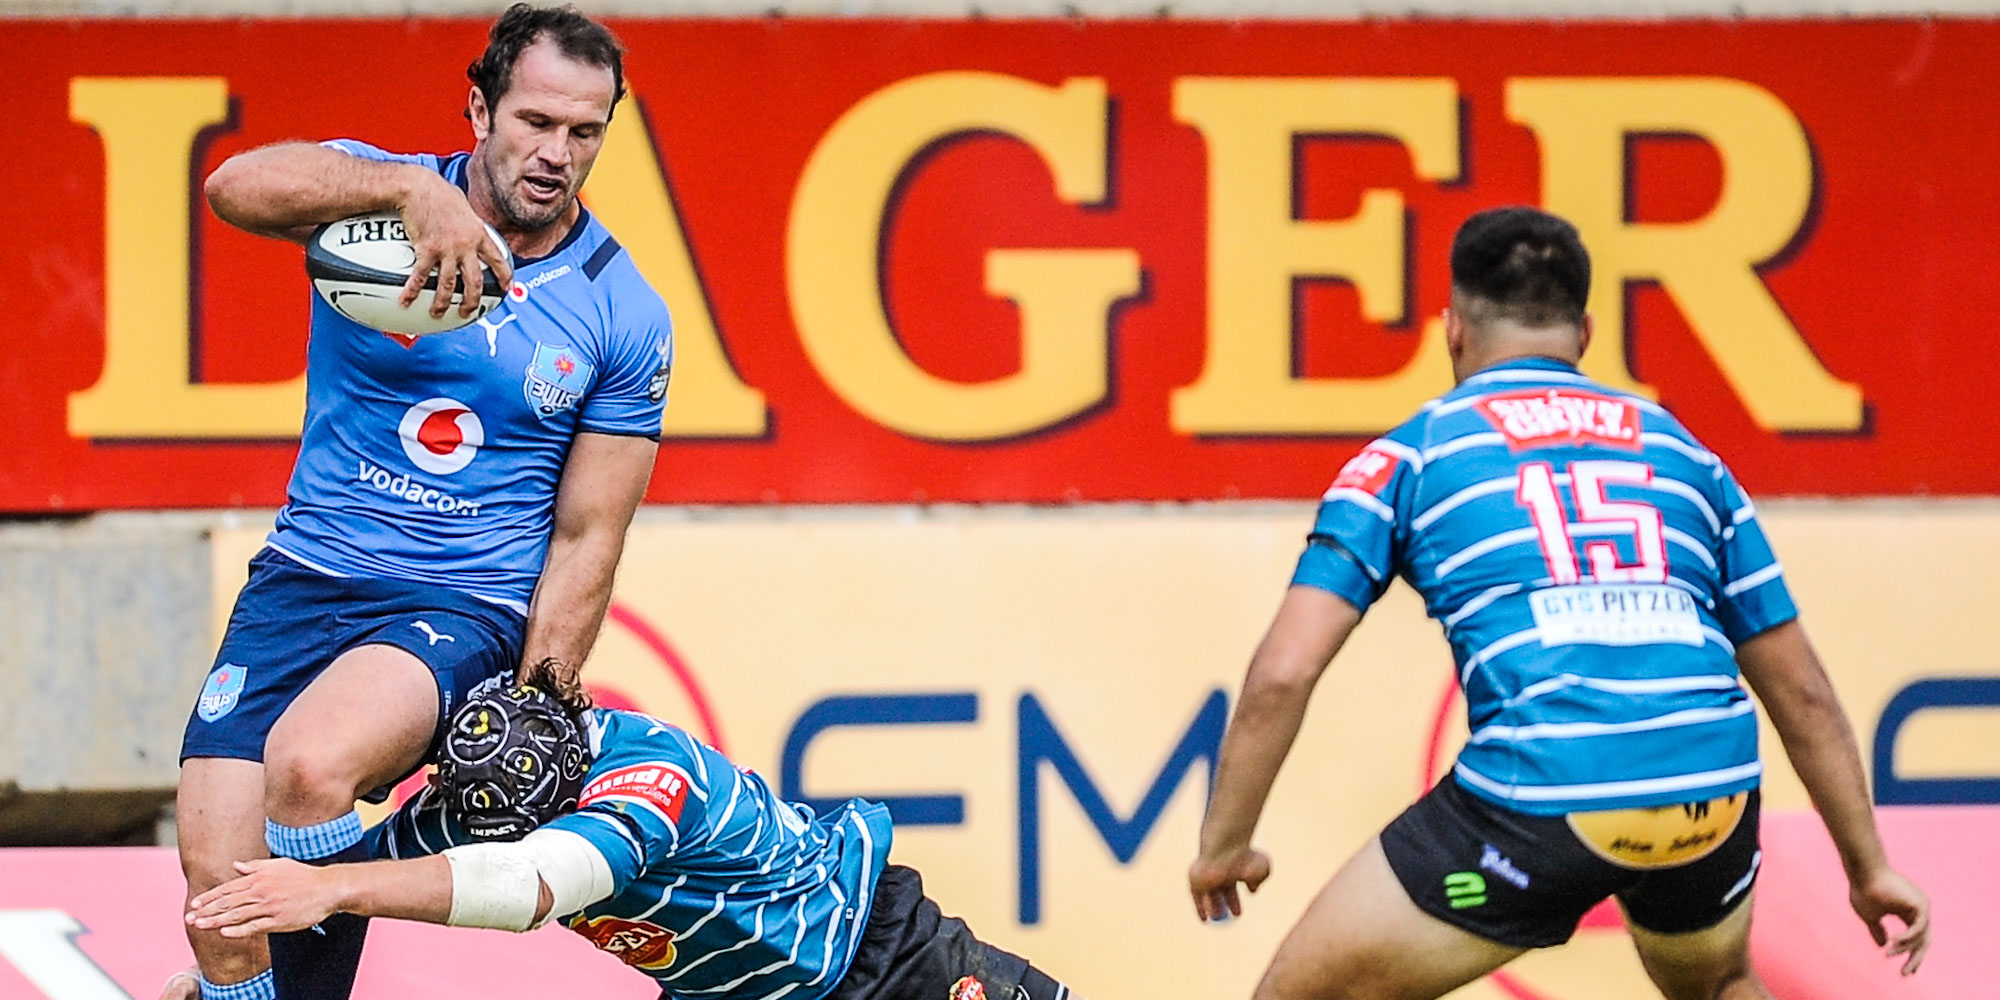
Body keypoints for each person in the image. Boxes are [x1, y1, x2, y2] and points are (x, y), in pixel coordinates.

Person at [1186, 207, 1931, 1000]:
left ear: (1452, 330)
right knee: (1717, 984)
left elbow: (1284, 672)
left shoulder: (1407, 458)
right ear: (1585, 333)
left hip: (1542, 801)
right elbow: (1802, 691)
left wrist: (1224, 847)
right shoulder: (1685, 453)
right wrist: (1869, 868)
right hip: (1709, 797)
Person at [173, 7, 672, 1000]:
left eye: (585, 131)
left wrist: (542, 699)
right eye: (535, 121)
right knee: (218, 906)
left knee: (309, 767)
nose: (557, 153)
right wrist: (409, 189)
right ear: (480, 108)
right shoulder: (377, 200)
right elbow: (232, 187)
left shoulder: (625, 310)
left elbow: (588, 536)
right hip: (304, 572)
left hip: (460, 602)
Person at [187, 680, 1079, 1000]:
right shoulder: (482, 797)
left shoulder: (650, 778)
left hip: (879, 962)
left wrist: (334, 887)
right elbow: (320, 892)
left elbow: (531, 885)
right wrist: (220, 982)